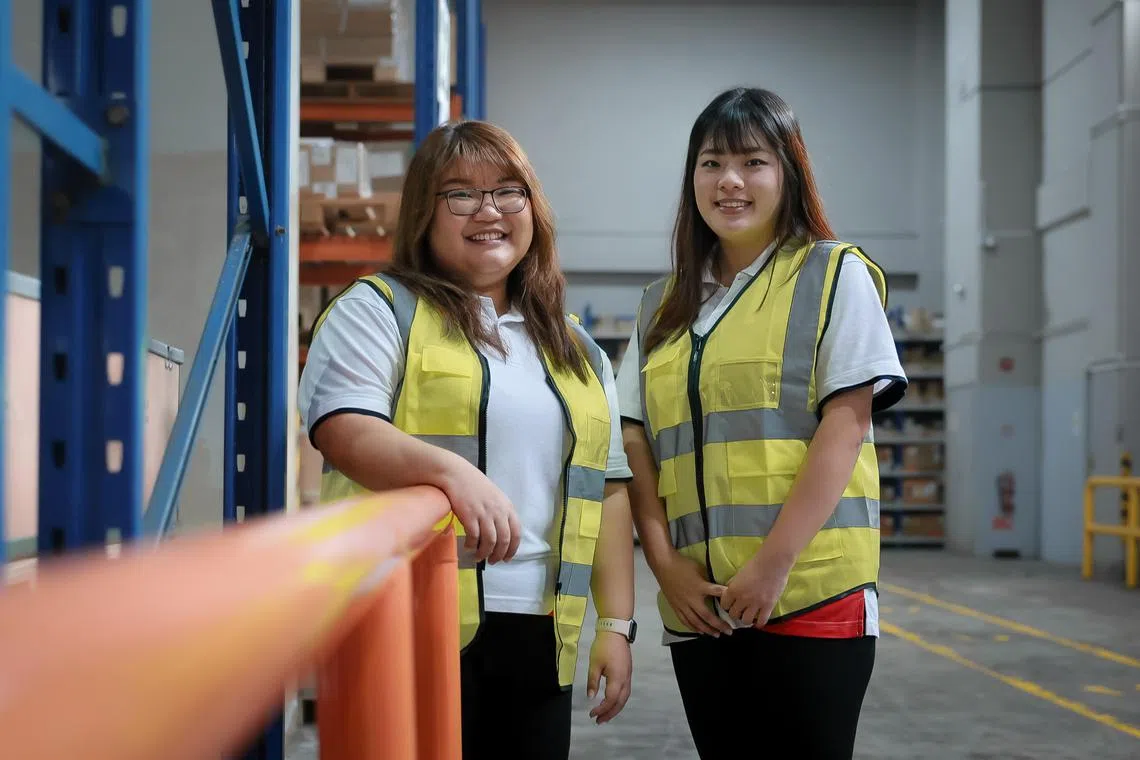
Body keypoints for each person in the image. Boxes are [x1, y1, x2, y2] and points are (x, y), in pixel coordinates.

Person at [298, 120, 637, 760]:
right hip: (406, 621)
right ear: (425, 212)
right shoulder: (378, 309)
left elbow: (609, 490)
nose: (489, 211)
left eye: (509, 192)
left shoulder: (577, 349)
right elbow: (343, 428)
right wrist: (453, 475)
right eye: (460, 194)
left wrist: (616, 625)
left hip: (541, 632)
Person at [616, 87, 908, 759]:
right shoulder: (661, 306)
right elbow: (633, 440)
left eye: (753, 161)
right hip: (701, 605)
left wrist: (773, 566)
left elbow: (846, 424)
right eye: (712, 162)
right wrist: (665, 567)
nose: (731, 181)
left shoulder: (834, 274)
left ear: (790, 172)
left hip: (809, 591)